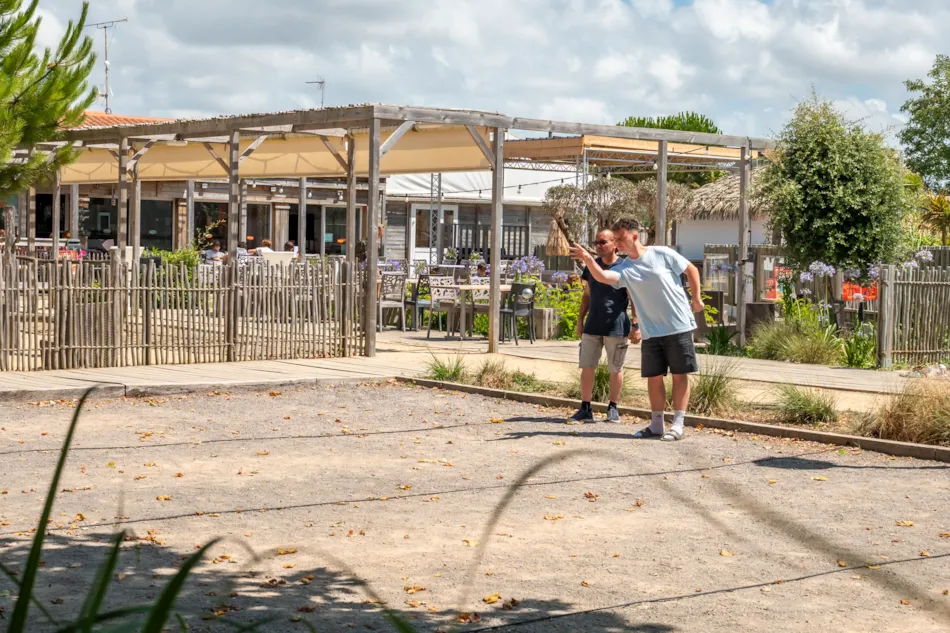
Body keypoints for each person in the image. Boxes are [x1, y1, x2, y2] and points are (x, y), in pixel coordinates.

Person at [570, 218, 703, 441]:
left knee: (680, 375)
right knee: (653, 377)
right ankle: (657, 425)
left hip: (678, 325)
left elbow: (691, 269)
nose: (618, 243)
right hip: (652, 330)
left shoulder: (661, 253)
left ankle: (678, 424)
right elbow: (603, 277)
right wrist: (587, 260)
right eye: (615, 239)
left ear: (635, 236)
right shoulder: (624, 268)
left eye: (620, 239)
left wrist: (697, 298)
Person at [570, 230, 640, 423]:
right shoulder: (592, 266)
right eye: (596, 242)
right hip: (593, 324)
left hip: (616, 325)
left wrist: (636, 324)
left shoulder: (624, 267)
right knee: (587, 366)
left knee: (616, 367)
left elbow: (633, 297)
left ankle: (613, 407)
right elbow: (587, 294)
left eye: (602, 242)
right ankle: (585, 407)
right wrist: (580, 320)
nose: (598, 246)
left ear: (614, 244)